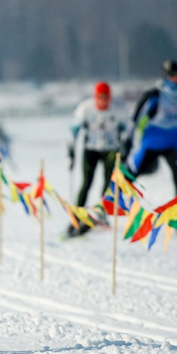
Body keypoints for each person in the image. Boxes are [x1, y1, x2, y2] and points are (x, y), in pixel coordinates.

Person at [121, 60, 177, 234]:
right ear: (166, 76)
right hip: (151, 140)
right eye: (173, 75)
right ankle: (120, 209)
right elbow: (135, 115)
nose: (176, 78)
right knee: (130, 175)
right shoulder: (155, 94)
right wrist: (128, 140)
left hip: (172, 141)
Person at [65, 81, 127, 237]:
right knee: (86, 183)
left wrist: (126, 146)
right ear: (95, 97)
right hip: (90, 149)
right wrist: (71, 153)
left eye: (106, 98)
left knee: (108, 186)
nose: (102, 101)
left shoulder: (118, 110)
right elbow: (73, 131)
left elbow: (128, 129)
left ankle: (101, 215)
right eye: (99, 98)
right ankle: (76, 217)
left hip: (111, 150)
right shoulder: (85, 109)